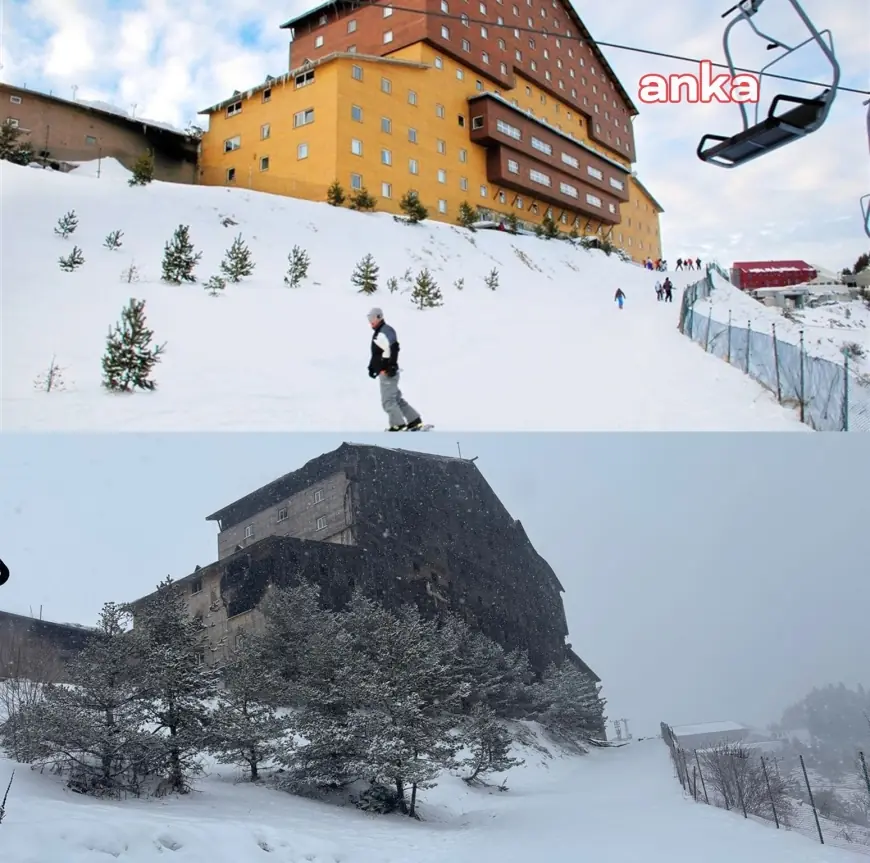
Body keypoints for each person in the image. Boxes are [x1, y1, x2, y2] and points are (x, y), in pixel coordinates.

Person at [367, 308, 424, 431]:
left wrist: (391, 366)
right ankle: (414, 420)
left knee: (388, 401)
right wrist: (372, 368)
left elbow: (394, 347)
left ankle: (397, 425)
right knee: (396, 399)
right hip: (384, 371)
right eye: (368, 319)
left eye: (372, 318)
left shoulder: (386, 330)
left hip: (387, 372)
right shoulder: (379, 332)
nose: (370, 321)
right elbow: (378, 353)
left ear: (379, 317)